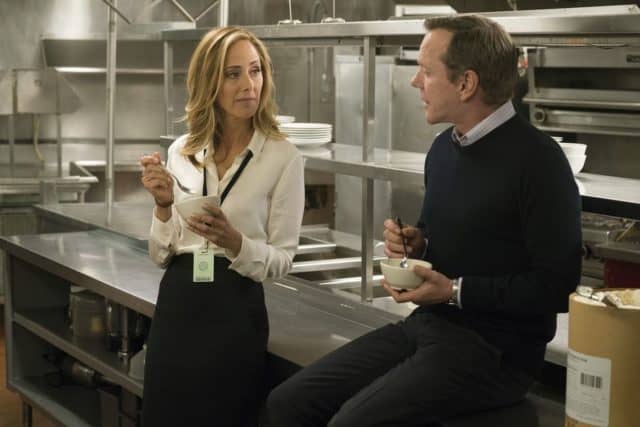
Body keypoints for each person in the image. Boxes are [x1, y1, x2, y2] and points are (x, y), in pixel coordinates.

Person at [268, 15, 581, 426]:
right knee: (288, 403)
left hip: (497, 354)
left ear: (466, 83)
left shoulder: (540, 162)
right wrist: (418, 244)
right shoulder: (443, 150)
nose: (416, 82)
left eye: (426, 71)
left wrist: (454, 291)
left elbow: (558, 286)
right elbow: (450, 237)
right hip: (428, 326)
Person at [139, 26, 305, 426]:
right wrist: (163, 206)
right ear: (209, 83)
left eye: (255, 70)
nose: (249, 84)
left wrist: (235, 242)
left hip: (235, 311)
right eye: (233, 74)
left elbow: (283, 258)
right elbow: (160, 255)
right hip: (178, 306)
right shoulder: (182, 151)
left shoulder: (283, 157)